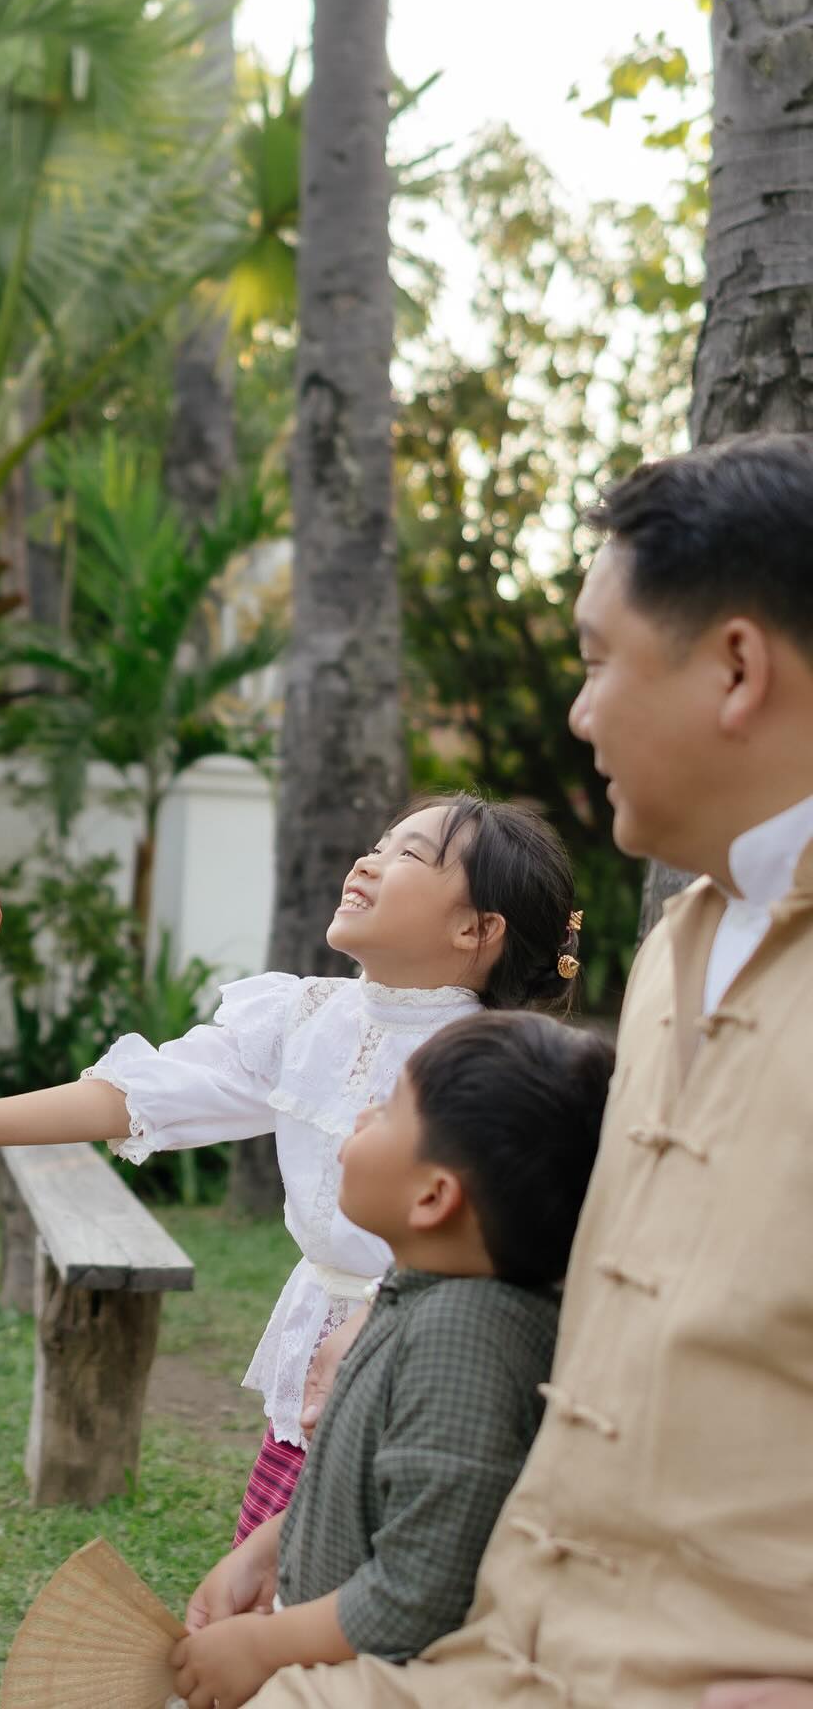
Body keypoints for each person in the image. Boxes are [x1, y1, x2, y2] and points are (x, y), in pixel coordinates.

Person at [247, 431, 813, 1708]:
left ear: (735, 667)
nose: (579, 711)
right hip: (493, 1642)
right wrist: (292, 1538)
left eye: (601, 661)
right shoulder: (679, 950)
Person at [0, 792, 582, 1541]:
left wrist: (380, 1318)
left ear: (477, 928)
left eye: (409, 855)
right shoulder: (304, 1018)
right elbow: (141, 1096)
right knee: (271, 1568)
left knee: (364, 1578)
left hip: (434, 1360)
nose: (368, 861)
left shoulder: (494, 1065)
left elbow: (508, 1245)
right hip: (318, 1347)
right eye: (379, 840)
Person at [168, 1012, 613, 1709]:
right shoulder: (420, 1297)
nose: (362, 1116)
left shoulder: (464, 1340)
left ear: (434, 1196)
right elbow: (382, 1495)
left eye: (388, 1110)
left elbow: (419, 1591)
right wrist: (269, 1550)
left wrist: (265, 1647)